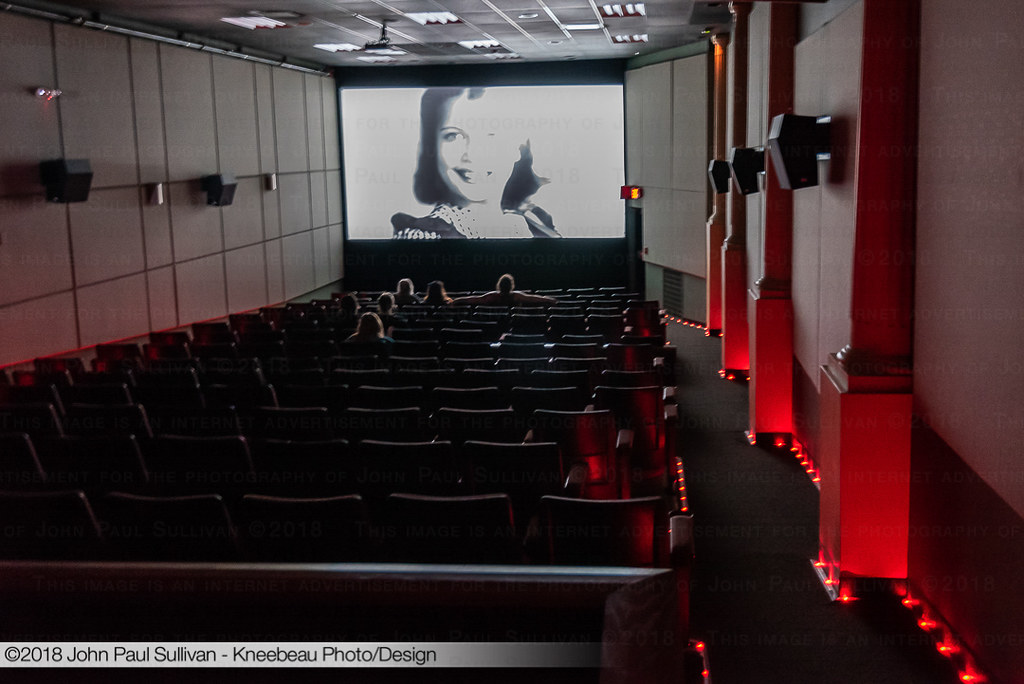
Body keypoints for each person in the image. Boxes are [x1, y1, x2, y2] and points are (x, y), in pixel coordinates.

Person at [391, 87, 561, 239]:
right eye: (453, 136)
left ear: (518, 147)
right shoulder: (421, 237)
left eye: (491, 135)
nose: (470, 154)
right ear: (433, 146)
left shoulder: (539, 227)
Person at [451, 274, 558, 307]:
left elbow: (474, 299)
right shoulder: (516, 296)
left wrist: (457, 300)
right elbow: (533, 299)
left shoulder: (492, 296)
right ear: (511, 285)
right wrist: (548, 299)